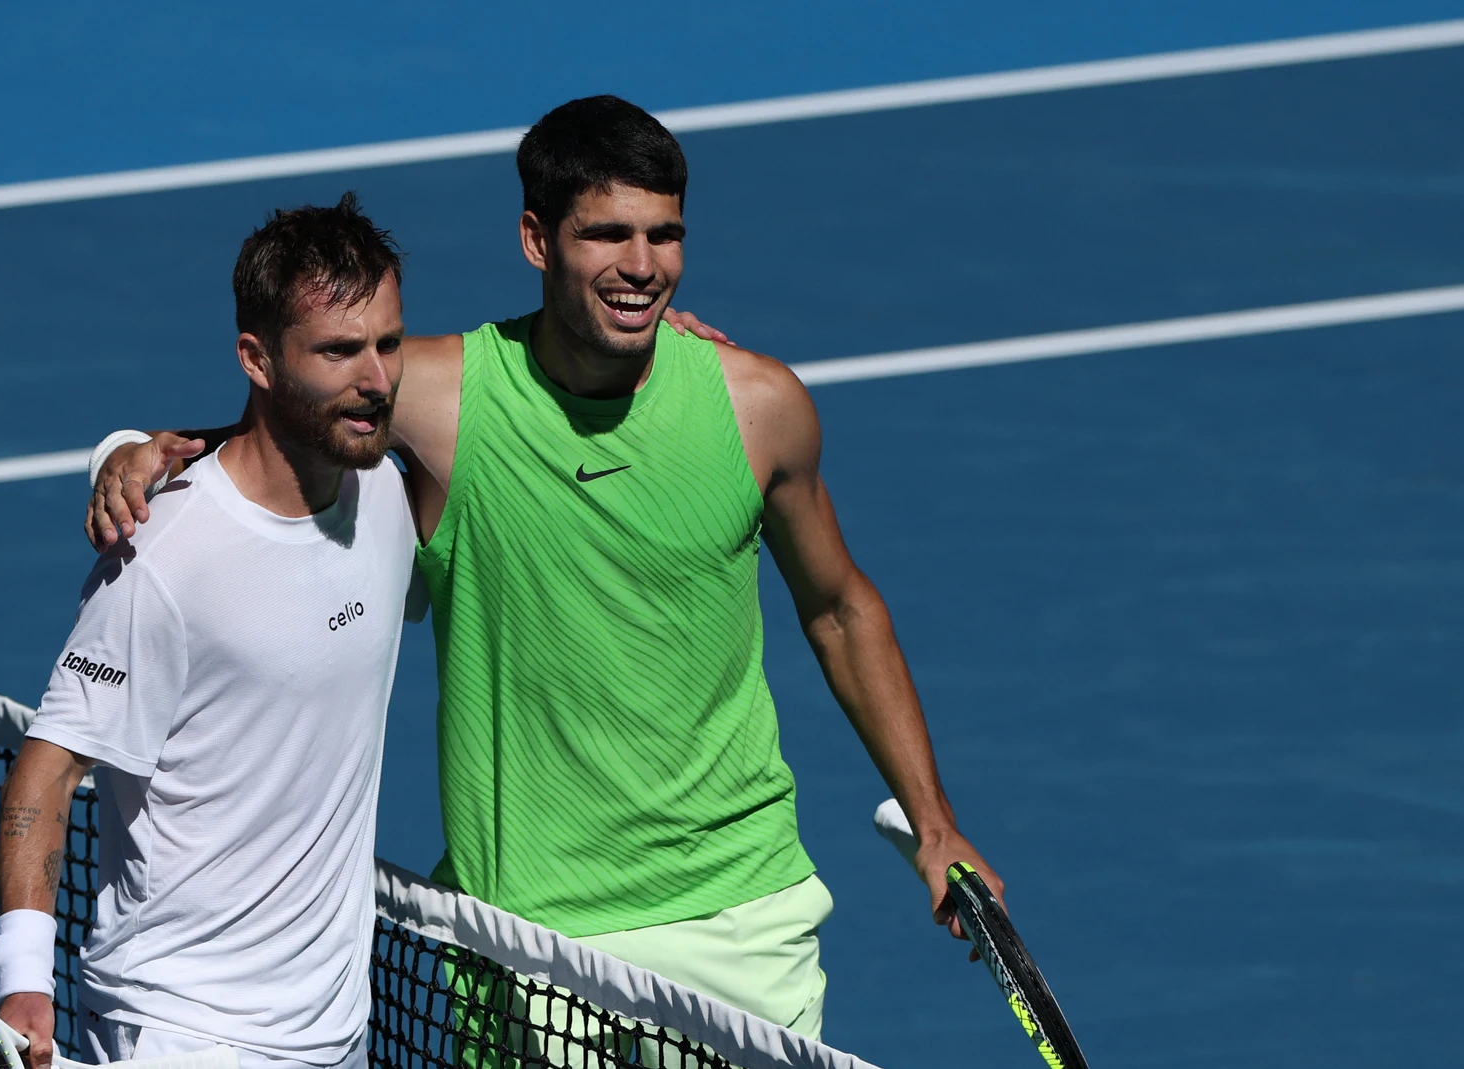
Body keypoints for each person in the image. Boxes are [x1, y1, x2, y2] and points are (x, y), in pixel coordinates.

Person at [89, 96, 1001, 1039]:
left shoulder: (757, 405)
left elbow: (841, 608)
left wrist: (935, 823)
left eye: (663, 236)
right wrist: (132, 450)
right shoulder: (443, 398)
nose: (641, 267)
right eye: (607, 235)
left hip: (739, 921)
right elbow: (276, 429)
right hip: (526, 943)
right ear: (537, 239)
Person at [0, 195, 416, 1067]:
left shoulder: (386, 492)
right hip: (185, 1027)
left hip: (332, 1032)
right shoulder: (162, 557)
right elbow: (53, 763)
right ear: (256, 359)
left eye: (388, 342)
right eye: (339, 350)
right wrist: (22, 976)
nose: (375, 377)